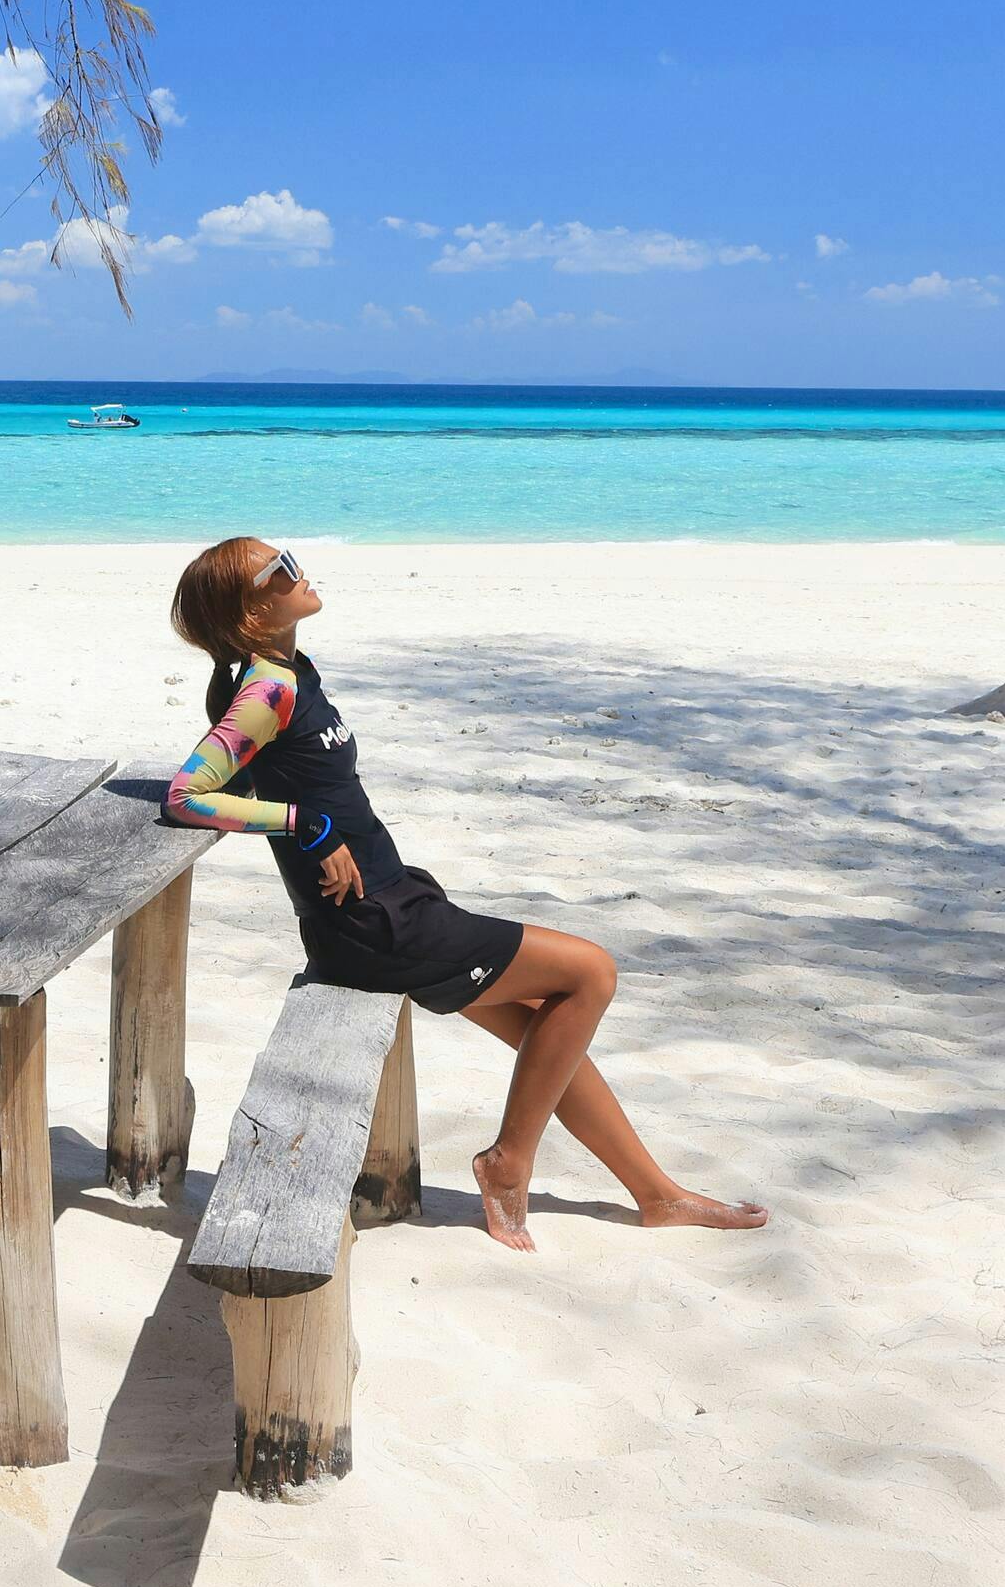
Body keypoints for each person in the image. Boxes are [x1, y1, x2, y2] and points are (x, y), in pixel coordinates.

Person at [159, 534, 765, 1252]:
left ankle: (657, 1196)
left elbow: (252, 776)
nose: (298, 567)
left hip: (395, 903)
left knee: (552, 1024)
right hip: (375, 929)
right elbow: (186, 795)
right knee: (591, 972)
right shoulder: (268, 688)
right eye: (279, 569)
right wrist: (305, 825)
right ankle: (507, 1162)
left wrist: (298, 815)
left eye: (290, 555)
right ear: (254, 614)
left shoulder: (292, 669)